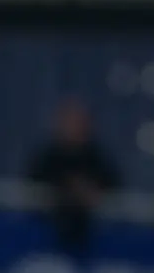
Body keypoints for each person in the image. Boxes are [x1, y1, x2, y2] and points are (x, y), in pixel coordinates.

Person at [27, 98, 122, 252]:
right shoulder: (47, 157)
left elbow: (114, 187)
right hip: (48, 234)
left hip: (91, 237)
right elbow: (32, 187)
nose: (75, 128)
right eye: (70, 123)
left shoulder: (97, 158)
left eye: (79, 123)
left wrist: (93, 193)